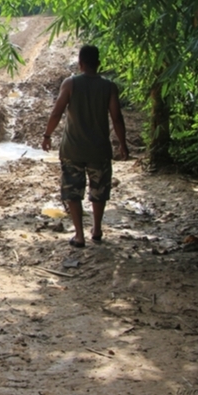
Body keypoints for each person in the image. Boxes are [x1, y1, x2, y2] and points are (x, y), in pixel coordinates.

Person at [41, 45, 129, 248]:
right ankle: (97, 229)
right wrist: (123, 144)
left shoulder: (70, 84)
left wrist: (47, 136)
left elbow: (57, 112)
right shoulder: (109, 87)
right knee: (99, 191)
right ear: (98, 63)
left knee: (73, 192)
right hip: (99, 150)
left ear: (80, 63)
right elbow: (117, 118)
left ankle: (79, 235)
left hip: (72, 149)